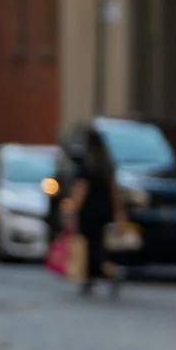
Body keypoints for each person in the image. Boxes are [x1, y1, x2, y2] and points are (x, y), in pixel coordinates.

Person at [68, 126, 121, 299]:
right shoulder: (107, 164)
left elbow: (81, 189)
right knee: (100, 244)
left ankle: (93, 276)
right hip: (105, 210)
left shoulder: (86, 164)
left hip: (88, 211)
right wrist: (119, 212)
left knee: (88, 246)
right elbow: (114, 190)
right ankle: (105, 272)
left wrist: (73, 208)